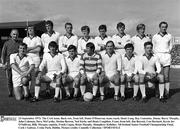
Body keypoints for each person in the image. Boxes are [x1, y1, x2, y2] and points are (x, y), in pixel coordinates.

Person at [152, 21, 172, 99]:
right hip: (157, 56)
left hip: (166, 56)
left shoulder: (169, 35)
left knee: (166, 76)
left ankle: (166, 92)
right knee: (158, 76)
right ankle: (157, 92)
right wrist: (156, 54)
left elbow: (170, 46)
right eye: (162, 27)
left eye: (165, 27)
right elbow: (153, 47)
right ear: (159, 27)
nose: (164, 28)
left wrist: (167, 52)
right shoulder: (155, 36)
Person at [41, 20, 60, 95]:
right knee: (47, 72)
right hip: (46, 55)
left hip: (55, 54)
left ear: (52, 26)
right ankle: (47, 89)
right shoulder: (43, 35)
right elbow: (43, 45)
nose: (48, 27)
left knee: (56, 71)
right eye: (46, 26)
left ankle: (57, 87)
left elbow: (58, 44)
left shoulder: (57, 34)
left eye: (49, 26)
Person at [1, 29, 21, 97]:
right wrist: (3, 64)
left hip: (18, 64)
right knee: (9, 79)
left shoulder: (20, 43)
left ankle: (19, 92)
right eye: (14, 34)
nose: (15, 36)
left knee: (18, 79)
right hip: (9, 64)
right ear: (11, 34)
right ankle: (10, 92)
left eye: (16, 34)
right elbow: (3, 54)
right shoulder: (6, 43)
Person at [23, 25, 42, 90]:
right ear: (27, 30)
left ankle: (36, 93)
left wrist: (28, 49)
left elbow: (38, 49)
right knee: (28, 75)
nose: (30, 30)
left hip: (36, 58)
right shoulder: (25, 39)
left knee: (37, 75)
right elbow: (24, 50)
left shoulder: (38, 38)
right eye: (29, 29)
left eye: (31, 29)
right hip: (27, 58)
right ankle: (28, 92)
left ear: (34, 30)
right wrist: (34, 47)